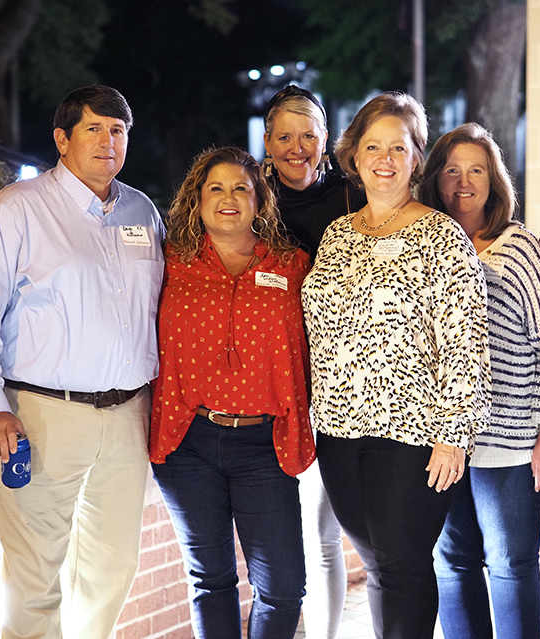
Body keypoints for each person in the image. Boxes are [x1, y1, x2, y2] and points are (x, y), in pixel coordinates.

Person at [0, 85, 165, 639]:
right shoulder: (13, 212)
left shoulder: (142, 210)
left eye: (118, 131)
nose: (107, 141)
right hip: (38, 416)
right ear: (62, 139)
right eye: (93, 129)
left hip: (127, 417)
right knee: (34, 574)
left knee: (113, 568)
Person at [301, 92, 491, 639]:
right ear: (354, 157)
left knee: (403, 567)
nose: (385, 158)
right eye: (372, 146)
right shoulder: (338, 236)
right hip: (338, 433)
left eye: (398, 147)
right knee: (379, 566)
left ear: (415, 158)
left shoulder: (441, 236)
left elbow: (466, 343)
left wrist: (454, 435)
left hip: (415, 435)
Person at [418, 123, 540, 639]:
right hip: (437, 440)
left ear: (495, 180)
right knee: (451, 563)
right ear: (434, 178)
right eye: (452, 171)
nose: (463, 182)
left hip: (507, 444)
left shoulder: (519, 248)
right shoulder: (422, 246)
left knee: (510, 563)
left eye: (477, 171)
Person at [149, 146, 315, 639]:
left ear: (260, 201)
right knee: (210, 579)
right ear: (195, 201)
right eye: (215, 188)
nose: (229, 198)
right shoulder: (167, 262)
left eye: (241, 188)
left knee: (284, 588)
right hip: (188, 442)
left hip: (265, 445)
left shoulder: (293, 265)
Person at [262, 84, 366, 639]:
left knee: (323, 531)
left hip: (342, 384)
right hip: (271, 385)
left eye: (308, 135)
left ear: (326, 139)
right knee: (281, 537)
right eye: (285, 136)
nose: (296, 147)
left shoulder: (354, 197)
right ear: (267, 140)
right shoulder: (250, 200)